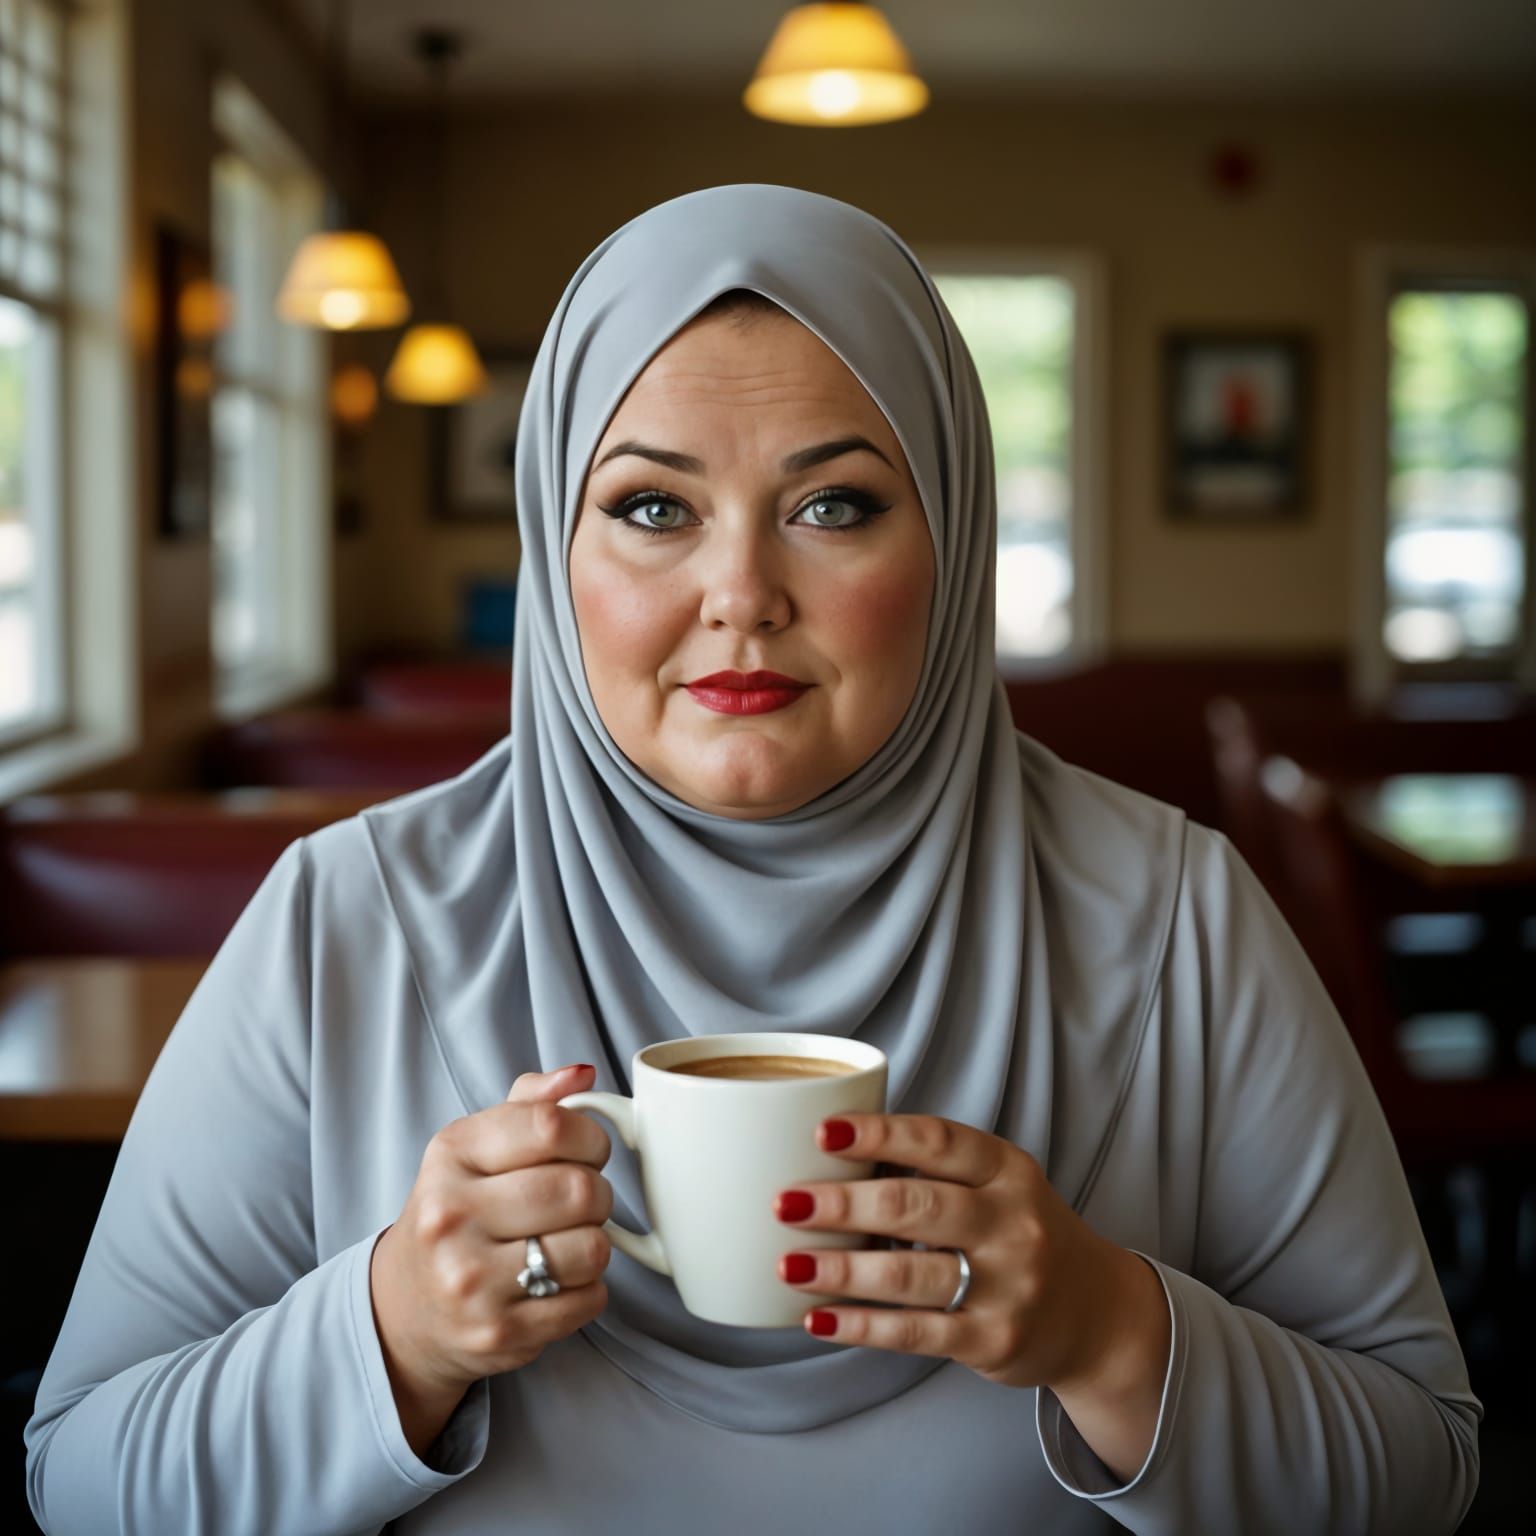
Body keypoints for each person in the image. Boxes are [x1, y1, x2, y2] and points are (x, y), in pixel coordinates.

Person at [25, 184, 1479, 1535]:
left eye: (834, 505)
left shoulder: (1177, 918)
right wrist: (394, 1332)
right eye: (654, 509)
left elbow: (1424, 1467)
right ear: (555, 545)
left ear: (955, 536)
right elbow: (81, 1477)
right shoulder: (348, 923)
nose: (741, 596)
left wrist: (1110, 1332)